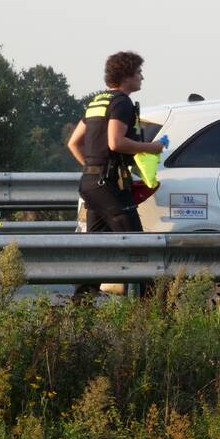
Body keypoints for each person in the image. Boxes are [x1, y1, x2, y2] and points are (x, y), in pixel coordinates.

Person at [66, 51, 165, 295]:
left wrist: (92, 167)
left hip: (90, 183)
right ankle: (151, 312)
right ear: (126, 76)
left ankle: (80, 311)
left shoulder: (96, 102)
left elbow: (73, 143)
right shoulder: (122, 102)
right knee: (139, 247)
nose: (142, 77)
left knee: (96, 251)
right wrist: (152, 147)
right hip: (110, 185)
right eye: (139, 72)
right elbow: (115, 143)